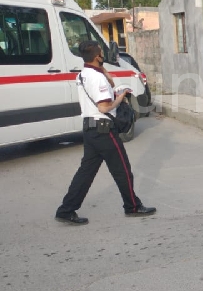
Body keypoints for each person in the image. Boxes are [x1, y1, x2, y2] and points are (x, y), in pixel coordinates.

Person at [55, 40, 156, 225]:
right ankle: (132, 206)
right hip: (103, 130)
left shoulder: (83, 74)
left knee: (85, 173)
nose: (103, 55)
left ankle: (66, 209)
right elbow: (104, 107)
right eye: (101, 53)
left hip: (90, 129)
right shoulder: (97, 78)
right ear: (97, 56)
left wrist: (104, 71)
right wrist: (120, 98)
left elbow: (109, 83)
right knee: (123, 170)